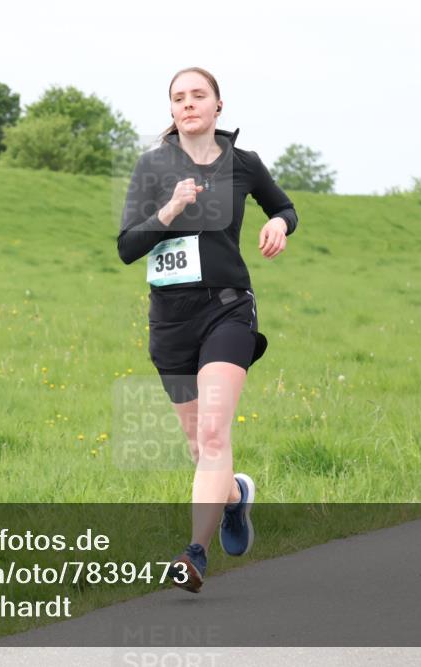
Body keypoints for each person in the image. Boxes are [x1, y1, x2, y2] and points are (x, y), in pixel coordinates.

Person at [117, 67, 299, 593]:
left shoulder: (243, 163)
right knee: (200, 448)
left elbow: (284, 206)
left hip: (227, 310)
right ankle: (236, 497)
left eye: (199, 95)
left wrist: (278, 223)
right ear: (171, 110)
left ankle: (194, 553)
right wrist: (170, 209)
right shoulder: (152, 167)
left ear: (218, 105)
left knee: (215, 433)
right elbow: (127, 247)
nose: (189, 103)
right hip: (170, 321)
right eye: (179, 97)